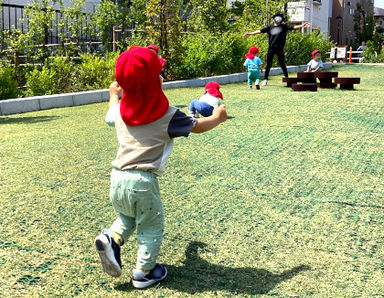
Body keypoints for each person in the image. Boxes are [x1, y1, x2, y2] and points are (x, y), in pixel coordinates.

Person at [94, 46, 227, 289]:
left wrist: (114, 93)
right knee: (151, 226)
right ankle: (144, 273)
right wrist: (218, 118)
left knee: (128, 217)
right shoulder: (168, 115)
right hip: (142, 182)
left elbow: (109, 114)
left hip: (117, 178)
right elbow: (197, 126)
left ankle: (111, 238)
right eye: (159, 74)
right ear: (156, 82)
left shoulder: (121, 111)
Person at [244, 11, 310, 86]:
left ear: (281, 19)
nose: (278, 18)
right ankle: (265, 79)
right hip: (271, 48)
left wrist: (301, 26)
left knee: (282, 64)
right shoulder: (270, 27)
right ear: (274, 18)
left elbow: (293, 27)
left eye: (280, 17)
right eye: (277, 16)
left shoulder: (284, 26)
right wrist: (250, 33)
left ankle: (287, 78)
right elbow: (259, 31)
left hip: (280, 49)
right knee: (268, 64)